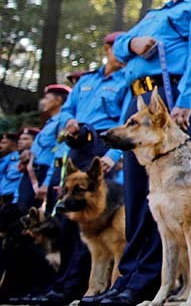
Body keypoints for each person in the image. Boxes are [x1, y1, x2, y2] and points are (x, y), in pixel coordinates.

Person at [98, 0, 191, 306]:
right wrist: (132, 42)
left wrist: (185, 102)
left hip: (169, 104)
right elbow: (120, 47)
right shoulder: (155, 14)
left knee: (168, 198)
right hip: (138, 101)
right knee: (140, 195)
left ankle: (149, 280)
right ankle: (130, 277)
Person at [24, 31, 131, 306]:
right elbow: (69, 109)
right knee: (68, 220)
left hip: (102, 150)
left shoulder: (127, 81)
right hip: (77, 146)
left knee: (98, 224)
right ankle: (61, 285)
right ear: (108, 49)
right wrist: (69, 123)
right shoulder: (87, 80)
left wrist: (114, 154)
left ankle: (84, 287)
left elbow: (125, 121)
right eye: (118, 49)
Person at [16, 84, 71, 211]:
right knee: (21, 211)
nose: (43, 102)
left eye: (46, 98)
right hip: (32, 172)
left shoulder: (62, 122)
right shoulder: (49, 123)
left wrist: (46, 182)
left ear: (58, 101)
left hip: (43, 173)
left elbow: (58, 152)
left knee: (31, 215)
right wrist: (29, 154)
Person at [0, 132, 22, 205]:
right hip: (2, 197)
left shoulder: (19, 160)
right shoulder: (4, 160)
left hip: (12, 197)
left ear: (14, 145)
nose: (0, 145)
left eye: (4, 143)